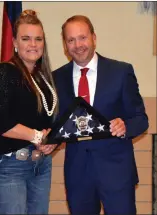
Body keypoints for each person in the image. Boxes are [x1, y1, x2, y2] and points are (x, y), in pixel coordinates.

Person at [52, 15, 149, 215]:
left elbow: (141, 119)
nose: (78, 45)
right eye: (71, 40)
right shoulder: (56, 78)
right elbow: (56, 122)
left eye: (82, 38)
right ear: (65, 45)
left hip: (117, 173)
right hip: (78, 175)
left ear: (94, 38)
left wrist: (125, 127)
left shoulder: (121, 71)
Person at [0, 9, 57, 215]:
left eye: (38, 39)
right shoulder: (4, 72)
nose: (33, 44)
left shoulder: (44, 79)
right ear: (15, 42)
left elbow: (49, 121)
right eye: (26, 38)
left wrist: (52, 140)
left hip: (41, 167)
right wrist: (38, 136)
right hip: (7, 167)